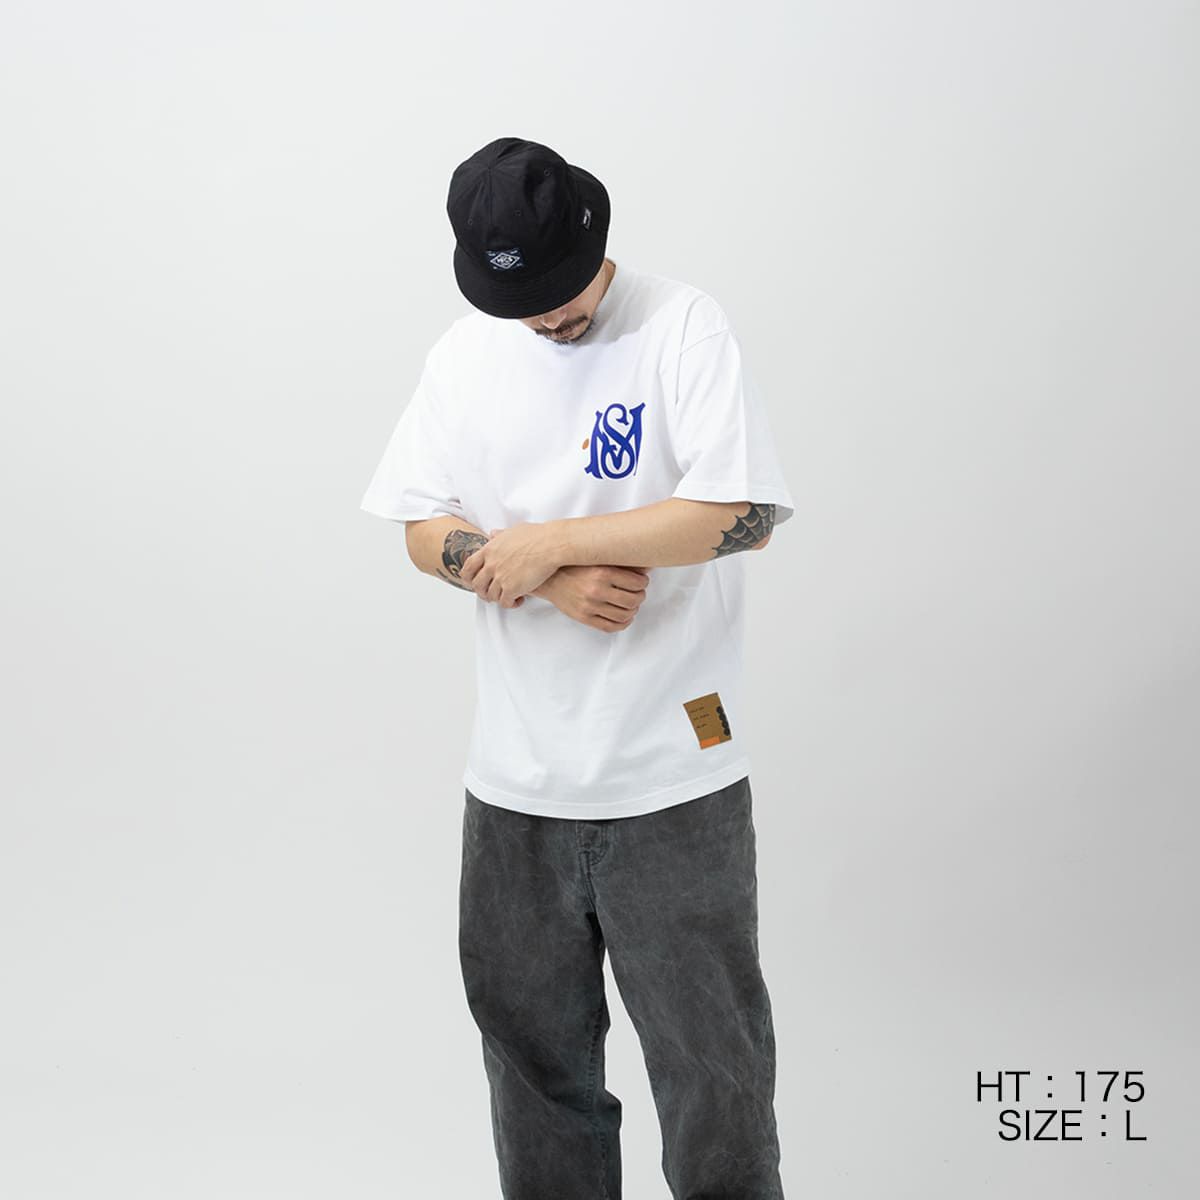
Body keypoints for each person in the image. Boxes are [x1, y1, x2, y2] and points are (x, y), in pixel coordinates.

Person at [361, 135, 794, 1200]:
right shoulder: (463, 356)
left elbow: (743, 513)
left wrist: (553, 541)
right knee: (534, 1074)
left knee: (715, 1075)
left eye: (562, 296)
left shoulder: (681, 324)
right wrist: (539, 575)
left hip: (672, 777)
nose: (549, 320)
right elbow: (420, 526)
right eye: (524, 306)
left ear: (596, 239)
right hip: (514, 785)